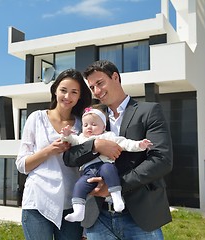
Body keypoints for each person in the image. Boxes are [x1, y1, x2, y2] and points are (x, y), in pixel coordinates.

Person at [63, 60, 173, 239]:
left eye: (100, 83)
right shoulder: (91, 118)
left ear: (115, 77)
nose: (97, 91)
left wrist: (115, 186)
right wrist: (95, 145)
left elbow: (161, 160)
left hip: (140, 216)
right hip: (98, 218)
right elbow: (70, 158)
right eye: (92, 87)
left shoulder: (149, 111)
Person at [15, 68, 92, 240]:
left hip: (71, 203)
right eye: (63, 90)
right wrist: (50, 150)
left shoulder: (83, 124)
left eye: (74, 92)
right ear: (55, 90)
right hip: (37, 201)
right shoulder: (37, 118)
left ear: (79, 96)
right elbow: (22, 165)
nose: (67, 96)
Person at [60, 104, 152, 222]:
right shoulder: (81, 137)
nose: (89, 128)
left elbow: (124, 143)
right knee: (79, 186)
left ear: (103, 126)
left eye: (94, 124)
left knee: (109, 170)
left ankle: (117, 198)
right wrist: (66, 135)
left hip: (104, 165)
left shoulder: (108, 136)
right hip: (89, 171)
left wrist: (139, 145)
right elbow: (71, 141)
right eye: (85, 125)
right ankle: (78, 211)